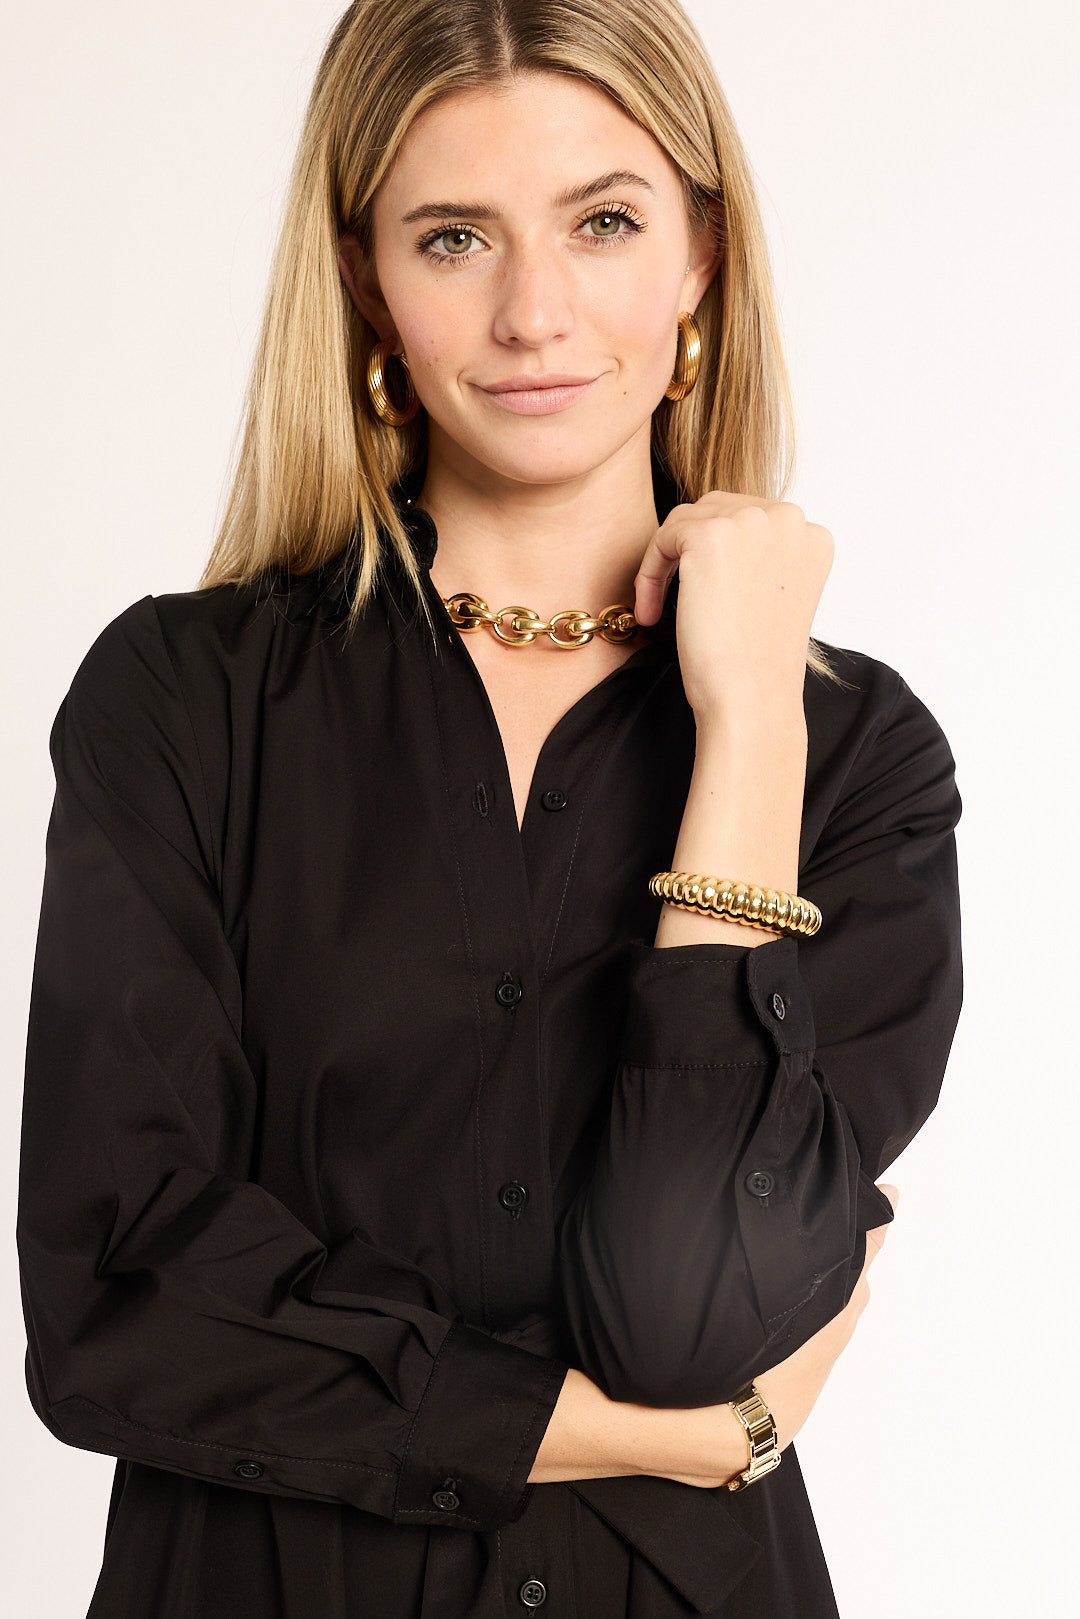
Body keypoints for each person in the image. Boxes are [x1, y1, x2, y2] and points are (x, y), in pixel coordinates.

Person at [15, 1, 962, 1615]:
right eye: (454, 237)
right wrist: (637, 1436)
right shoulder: (185, 700)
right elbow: (123, 1293)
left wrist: (746, 721)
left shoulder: (854, 756)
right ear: (365, 280)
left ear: (702, 256)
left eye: (604, 222)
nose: (534, 313)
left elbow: (686, 1317)